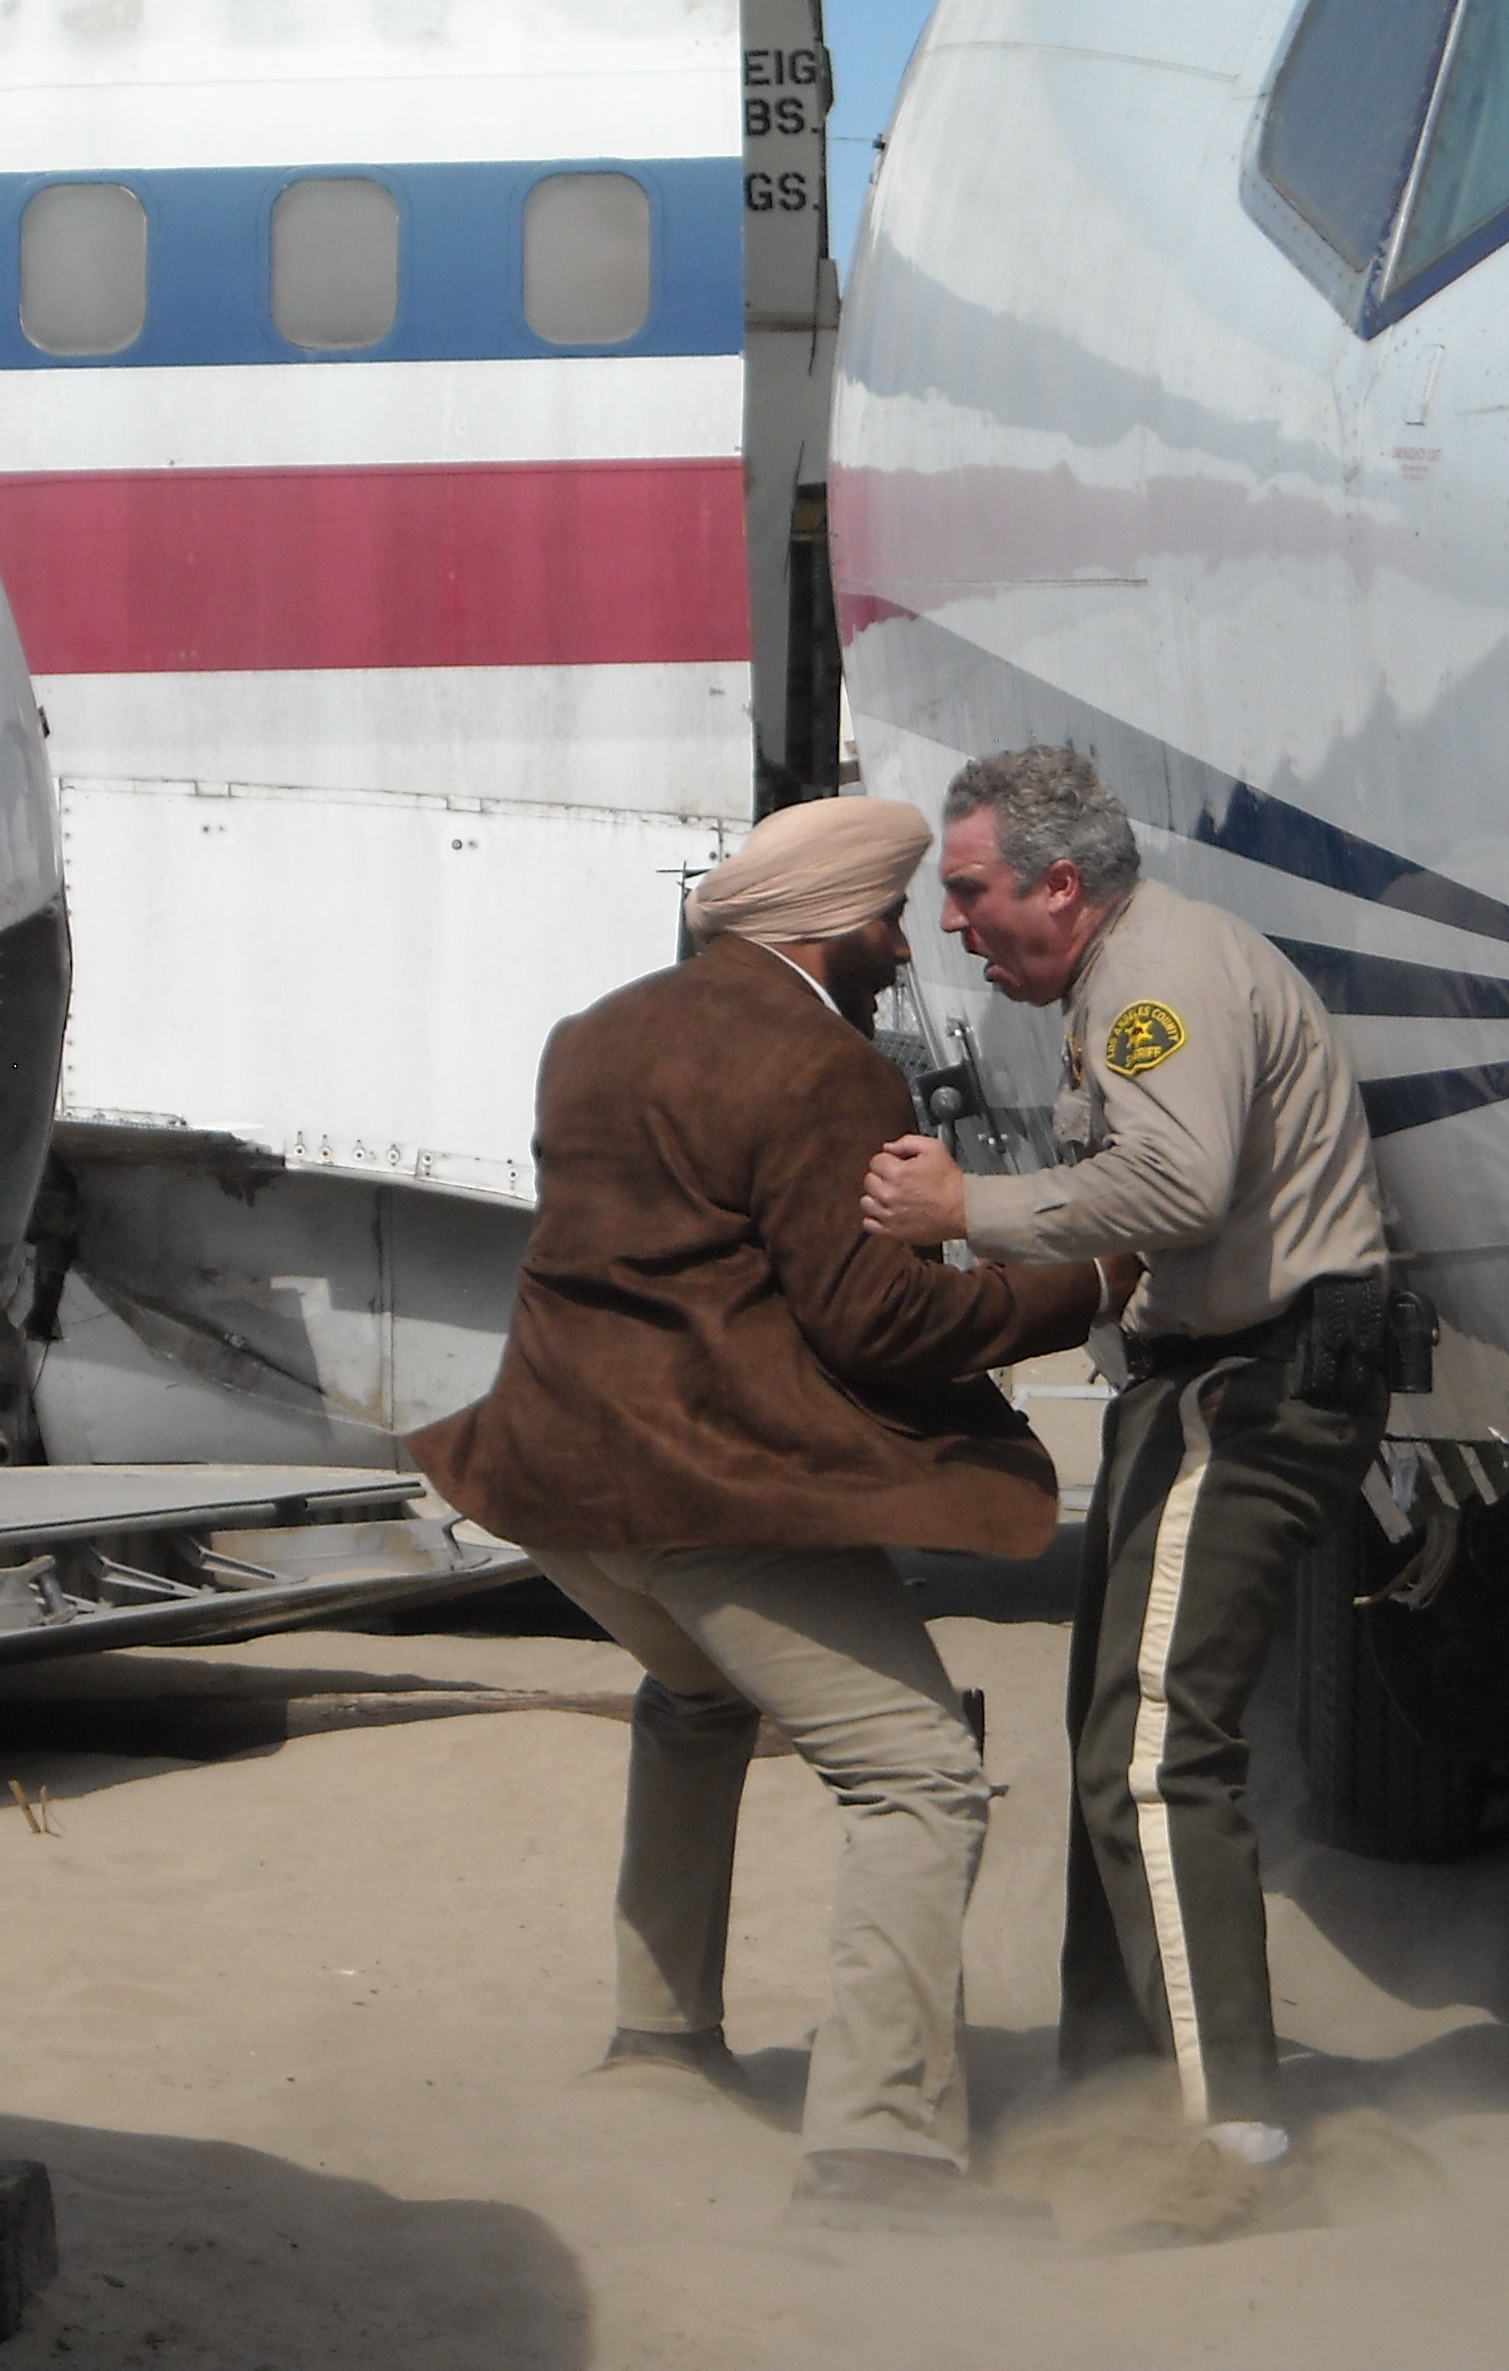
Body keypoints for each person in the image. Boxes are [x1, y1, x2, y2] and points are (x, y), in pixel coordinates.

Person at [410, 793, 1112, 2238]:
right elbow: (871, 1321)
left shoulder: (594, 1030)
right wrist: (1083, 1287)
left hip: (550, 1471)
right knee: (919, 1773)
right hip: (696, 1481)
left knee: (695, 1695)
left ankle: (659, 2046)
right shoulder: (821, 1066)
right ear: (835, 925)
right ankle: (879, 2161)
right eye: (890, 916)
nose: (903, 942)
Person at [858, 746, 1391, 2221]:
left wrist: (967, 1206)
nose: (954, 924)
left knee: (1158, 1753)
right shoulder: (1125, 978)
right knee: (1109, 1729)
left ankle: (1234, 2144)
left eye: (969, 893)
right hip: (1203, 1384)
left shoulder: (1159, 982)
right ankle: (1113, 2081)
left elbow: (1178, 1188)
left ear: (1059, 884)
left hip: (1257, 1391)